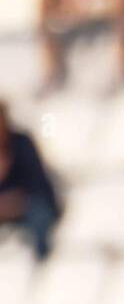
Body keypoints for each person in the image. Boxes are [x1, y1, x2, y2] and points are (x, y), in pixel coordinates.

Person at [0, 103, 62, 261]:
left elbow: (38, 183)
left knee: (40, 214)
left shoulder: (22, 143)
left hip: (30, 203)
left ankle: (43, 262)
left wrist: (18, 201)